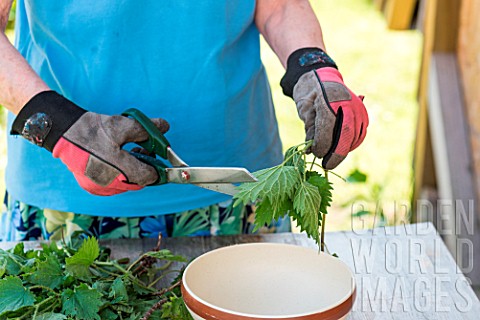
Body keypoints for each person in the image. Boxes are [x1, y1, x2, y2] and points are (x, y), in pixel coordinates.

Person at [0, 1, 368, 241]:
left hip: (240, 190)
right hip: (66, 202)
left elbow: (279, 6)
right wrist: (56, 125)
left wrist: (311, 64)